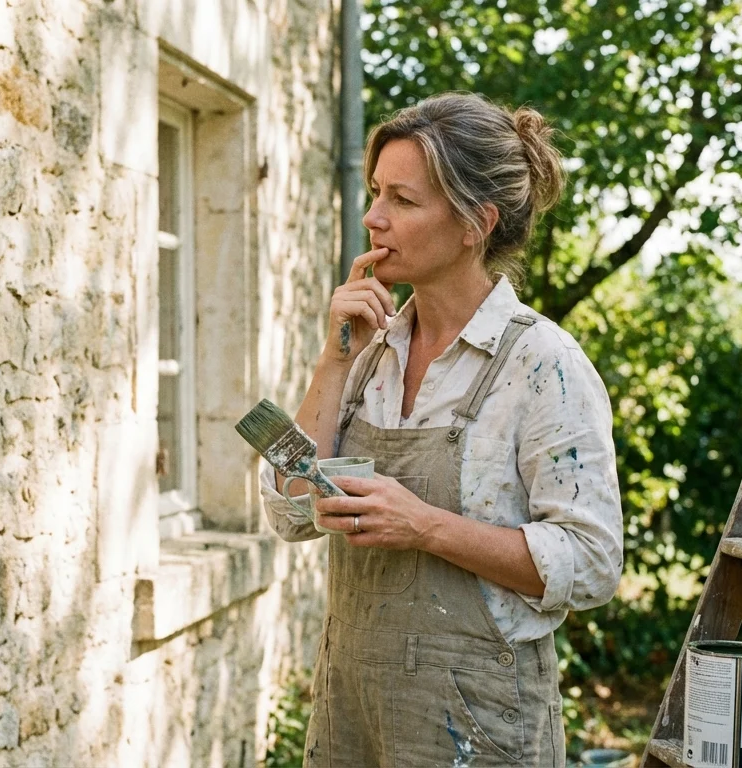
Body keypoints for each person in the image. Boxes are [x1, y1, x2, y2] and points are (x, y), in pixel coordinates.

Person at [263, 93, 624, 767]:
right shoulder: (369, 353)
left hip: (480, 730)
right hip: (354, 719)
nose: (373, 218)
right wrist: (332, 358)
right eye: (375, 193)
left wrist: (426, 526)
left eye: (402, 200)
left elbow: (594, 562)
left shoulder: (543, 364)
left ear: (474, 224)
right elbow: (288, 509)